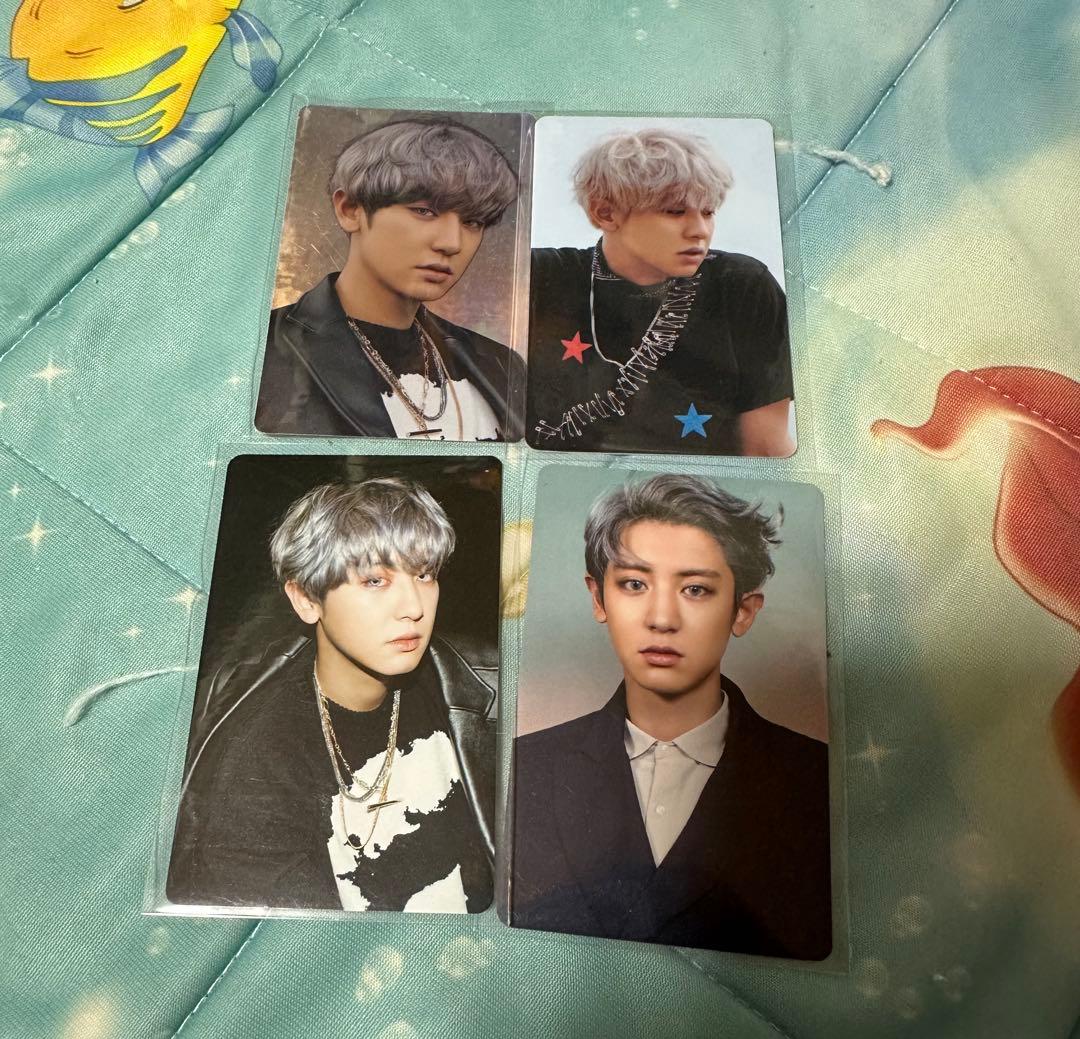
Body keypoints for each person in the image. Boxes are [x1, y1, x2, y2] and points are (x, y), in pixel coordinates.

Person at [511, 474, 831, 958]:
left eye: (696, 589)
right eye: (634, 584)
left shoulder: (815, 780)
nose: (661, 618)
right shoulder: (526, 766)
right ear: (598, 598)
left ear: (743, 611)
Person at [167, 478, 498, 912]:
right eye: (375, 581)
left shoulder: (485, 688)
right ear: (306, 599)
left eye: (424, 575)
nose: (414, 607)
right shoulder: (257, 762)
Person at [527, 127, 794, 456]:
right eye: (675, 211)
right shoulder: (540, 274)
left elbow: (766, 447)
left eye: (708, 212)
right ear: (605, 213)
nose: (700, 231)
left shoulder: (742, 286)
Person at [256, 118, 525, 441]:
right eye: (424, 211)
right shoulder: (263, 351)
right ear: (350, 209)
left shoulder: (500, 364)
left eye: (473, 221)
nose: (452, 243)